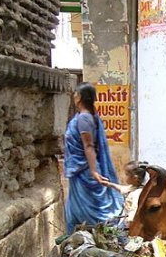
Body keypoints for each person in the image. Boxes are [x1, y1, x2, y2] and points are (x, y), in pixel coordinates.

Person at [63, 82, 123, 234]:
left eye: (76, 93)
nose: (74, 95)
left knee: (90, 212)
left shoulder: (84, 118)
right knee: (80, 210)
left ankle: (95, 237)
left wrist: (94, 172)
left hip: (84, 170)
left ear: (81, 97)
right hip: (82, 170)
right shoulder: (87, 117)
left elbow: (88, 145)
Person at [103, 160, 148, 227]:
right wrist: (109, 184)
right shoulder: (133, 188)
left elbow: (134, 209)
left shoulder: (137, 193)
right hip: (124, 219)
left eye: (127, 174)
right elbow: (122, 188)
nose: (124, 177)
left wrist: (129, 223)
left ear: (135, 178)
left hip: (129, 223)